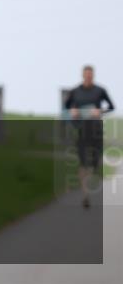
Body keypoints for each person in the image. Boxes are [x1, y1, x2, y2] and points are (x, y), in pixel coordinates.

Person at [64, 65, 115, 209]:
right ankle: (85, 195)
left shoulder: (100, 91)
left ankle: (93, 171)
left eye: (90, 75)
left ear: (93, 76)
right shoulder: (75, 91)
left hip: (96, 130)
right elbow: (66, 106)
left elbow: (112, 106)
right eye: (86, 75)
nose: (88, 77)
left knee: (94, 162)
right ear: (82, 75)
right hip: (81, 130)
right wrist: (72, 111)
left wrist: (100, 111)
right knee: (83, 163)